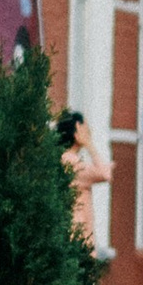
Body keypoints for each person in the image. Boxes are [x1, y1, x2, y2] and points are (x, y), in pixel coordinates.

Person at [54, 107, 111, 251]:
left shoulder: (62, 159)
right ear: (77, 131)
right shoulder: (71, 162)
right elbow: (105, 174)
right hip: (77, 238)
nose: (89, 132)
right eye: (86, 129)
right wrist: (89, 145)